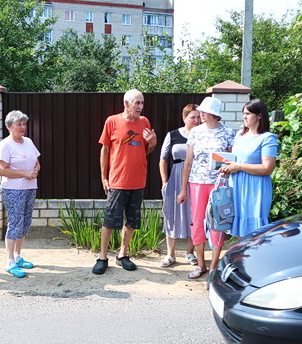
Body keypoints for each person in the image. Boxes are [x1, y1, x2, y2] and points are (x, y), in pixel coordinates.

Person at [93, 89, 157, 275]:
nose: (140, 107)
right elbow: (105, 150)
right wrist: (104, 177)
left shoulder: (145, 122)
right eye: (137, 103)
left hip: (138, 180)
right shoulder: (112, 121)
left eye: (142, 103)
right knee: (109, 220)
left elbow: (146, 149)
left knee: (132, 221)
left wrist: (153, 142)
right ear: (126, 103)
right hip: (117, 181)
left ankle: (123, 255)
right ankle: (102, 257)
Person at [177, 96, 234, 279]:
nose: (201, 114)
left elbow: (232, 161)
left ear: (214, 114)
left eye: (204, 111)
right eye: (200, 111)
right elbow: (188, 162)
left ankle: (215, 265)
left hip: (219, 184)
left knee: (218, 222)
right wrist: (183, 188)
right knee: (197, 221)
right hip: (197, 183)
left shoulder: (228, 132)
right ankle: (201, 264)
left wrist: (226, 170)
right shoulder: (195, 133)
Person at [220, 99, 278, 237]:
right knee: (240, 229)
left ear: (259, 115)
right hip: (237, 186)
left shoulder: (267, 138)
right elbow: (235, 160)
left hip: (255, 188)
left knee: (255, 233)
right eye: (243, 113)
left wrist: (238, 166)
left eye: (248, 113)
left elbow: (267, 168)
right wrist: (226, 170)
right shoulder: (240, 136)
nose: (244, 117)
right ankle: (242, 258)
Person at [0, 110, 41, 278]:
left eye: (24, 124)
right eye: (18, 125)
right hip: (13, 189)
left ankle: (18, 256)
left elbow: (37, 163)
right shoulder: (5, 145)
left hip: (30, 188)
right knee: (15, 223)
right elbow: (2, 171)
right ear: (9, 127)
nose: (22, 127)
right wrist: (25, 173)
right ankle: (10, 262)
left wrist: (34, 171)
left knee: (25, 223)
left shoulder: (28, 142)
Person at [158, 103, 202, 267]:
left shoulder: (202, 136)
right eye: (193, 117)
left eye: (199, 117)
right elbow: (163, 158)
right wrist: (164, 181)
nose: (196, 120)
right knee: (172, 213)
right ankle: (171, 254)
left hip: (196, 178)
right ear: (185, 118)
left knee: (194, 215)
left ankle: (190, 253)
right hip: (176, 179)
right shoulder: (173, 135)